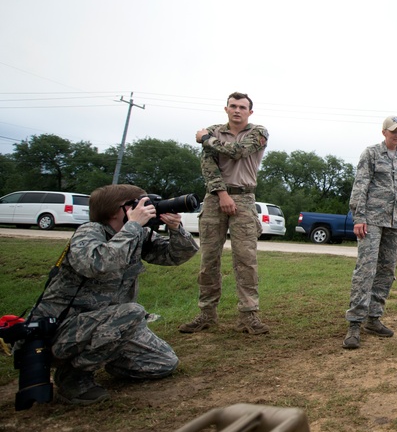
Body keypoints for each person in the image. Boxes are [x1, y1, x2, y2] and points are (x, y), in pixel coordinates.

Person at [32, 185, 199, 405]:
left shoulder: (137, 235)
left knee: (164, 362)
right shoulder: (90, 231)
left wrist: (176, 229)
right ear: (114, 211)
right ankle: (72, 377)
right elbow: (97, 264)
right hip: (61, 330)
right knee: (133, 313)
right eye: (136, 204)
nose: (144, 208)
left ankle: (105, 355)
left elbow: (177, 255)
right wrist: (132, 227)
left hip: (111, 325)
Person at [179, 92, 269, 335]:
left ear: (250, 112)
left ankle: (249, 317)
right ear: (226, 109)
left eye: (242, 107)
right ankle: (206, 314)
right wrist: (221, 194)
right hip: (214, 199)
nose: (237, 110)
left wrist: (206, 139)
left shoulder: (258, 133)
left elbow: (238, 151)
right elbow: (209, 167)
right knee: (208, 259)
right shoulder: (214, 131)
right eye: (233, 106)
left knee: (245, 260)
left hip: (245, 198)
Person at [343, 116, 397, 350]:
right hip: (372, 220)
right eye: (394, 131)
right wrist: (359, 217)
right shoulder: (372, 153)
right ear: (384, 132)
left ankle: (374, 318)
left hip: (396, 222)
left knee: (386, 271)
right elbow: (361, 184)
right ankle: (355, 323)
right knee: (366, 270)